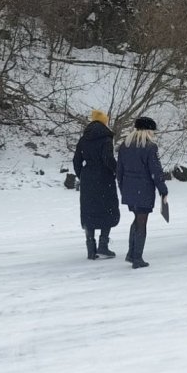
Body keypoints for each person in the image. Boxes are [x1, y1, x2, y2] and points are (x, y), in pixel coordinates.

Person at [116, 116, 168, 269]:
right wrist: (163, 189)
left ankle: (131, 253)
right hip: (144, 189)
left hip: (129, 189)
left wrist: (123, 188)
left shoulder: (125, 145)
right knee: (141, 222)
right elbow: (156, 171)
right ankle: (137, 257)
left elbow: (119, 171)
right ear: (148, 131)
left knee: (137, 219)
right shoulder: (150, 147)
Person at [72, 109, 120, 260]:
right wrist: (117, 171)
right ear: (104, 121)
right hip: (104, 178)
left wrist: (82, 175)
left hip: (88, 178)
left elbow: (76, 160)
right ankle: (103, 245)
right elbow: (108, 159)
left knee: (89, 212)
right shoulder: (106, 139)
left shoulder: (84, 139)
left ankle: (91, 249)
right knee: (107, 210)